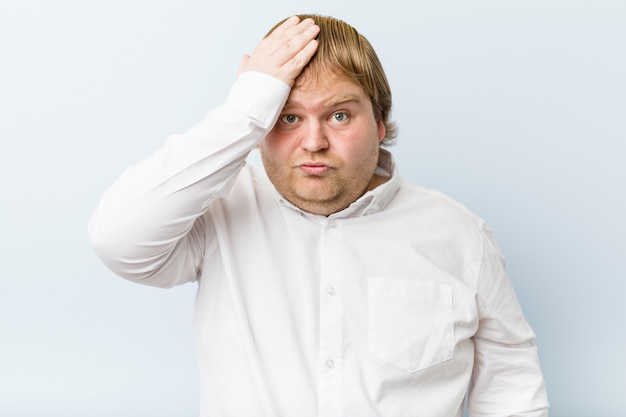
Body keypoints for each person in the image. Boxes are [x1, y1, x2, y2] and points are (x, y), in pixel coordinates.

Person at [89, 14, 549, 417]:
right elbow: (117, 239)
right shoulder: (217, 213)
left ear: (381, 124)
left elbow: (511, 389)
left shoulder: (459, 234)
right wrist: (246, 109)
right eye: (288, 117)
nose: (313, 142)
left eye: (340, 116)